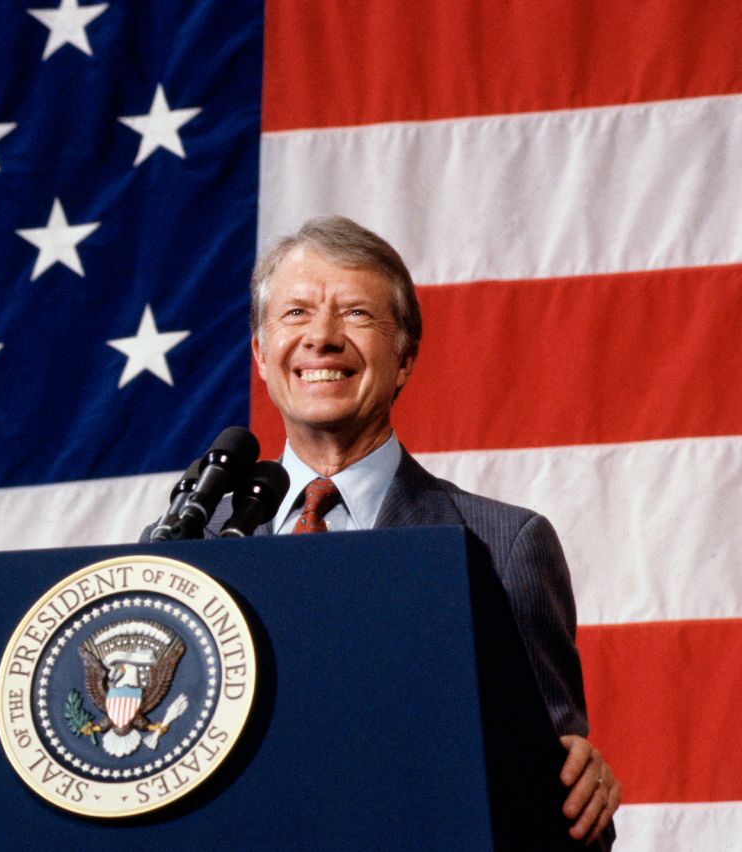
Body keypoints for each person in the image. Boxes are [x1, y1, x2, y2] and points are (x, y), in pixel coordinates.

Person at [225, 215, 619, 845]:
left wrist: (574, 789)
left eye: (354, 314)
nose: (321, 339)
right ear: (260, 354)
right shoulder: (191, 544)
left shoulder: (503, 545)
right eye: (295, 313)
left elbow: (562, 804)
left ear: (405, 357)